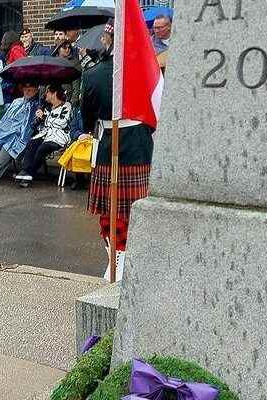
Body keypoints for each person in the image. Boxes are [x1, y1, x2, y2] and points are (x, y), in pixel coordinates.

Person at [81, 20, 154, 280]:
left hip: (108, 141)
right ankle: (122, 257)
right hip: (139, 143)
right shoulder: (148, 69)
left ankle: (117, 257)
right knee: (134, 208)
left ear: (107, 40)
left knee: (110, 209)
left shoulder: (93, 73)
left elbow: (86, 117)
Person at [0, 83, 41, 183]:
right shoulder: (16, 101)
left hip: (19, 136)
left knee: (7, 149)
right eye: (25, 89)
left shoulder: (37, 106)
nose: (26, 91)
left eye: (30, 90)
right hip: (5, 132)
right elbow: (5, 120)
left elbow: (30, 127)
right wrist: (0, 132)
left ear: (36, 90)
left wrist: (39, 116)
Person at [15, 85, 72, 186]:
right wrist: (38, 118)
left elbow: (61, 122)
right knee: (32, 143)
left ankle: (29, 174)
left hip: (59, 136)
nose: (45, 94)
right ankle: (25, 171)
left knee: (43, 148)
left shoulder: (66, 105)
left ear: (54, 94)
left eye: (48, 92)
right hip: (45, 134)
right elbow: (36, 125)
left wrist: (45, 117)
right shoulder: (46, 106)